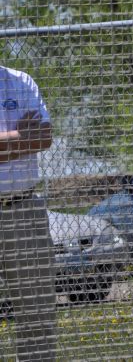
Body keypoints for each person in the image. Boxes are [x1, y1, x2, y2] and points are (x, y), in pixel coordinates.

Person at [0, 65, 56, 361]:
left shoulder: (21, 81)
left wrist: (7, 141)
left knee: (37, 314)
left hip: (24, 209)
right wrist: (21, 134)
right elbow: (31, 138)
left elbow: (44, 136)